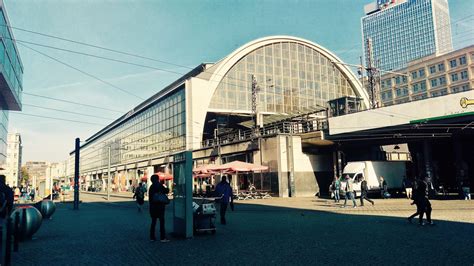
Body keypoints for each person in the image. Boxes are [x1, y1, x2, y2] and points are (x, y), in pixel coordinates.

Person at [148, 174, 170, 242]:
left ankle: (152, 237)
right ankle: (162, 238)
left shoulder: (151, 187)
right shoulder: (159, 185)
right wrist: (166, 187)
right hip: (160, 207)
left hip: (152, 207)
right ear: (158, 179)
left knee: (153, 222)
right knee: (161, 222)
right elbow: (166, 191)